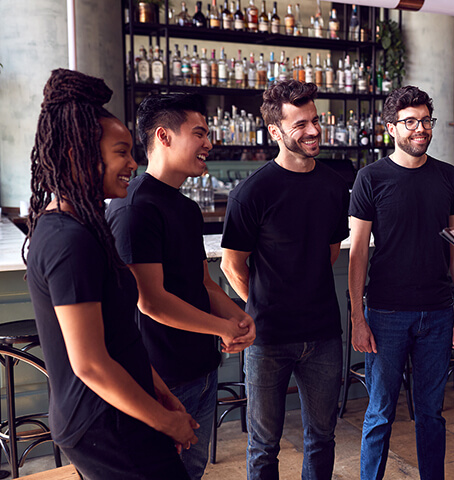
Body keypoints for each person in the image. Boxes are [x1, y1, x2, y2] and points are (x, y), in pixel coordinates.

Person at [24, 69, 196, 479]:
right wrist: (161, 418)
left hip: (119, 409)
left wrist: (162, 394)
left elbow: (120, 337)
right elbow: (91, 364)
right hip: (103, 421)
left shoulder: (84, 226)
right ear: (78, 154)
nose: (133, 163)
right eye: (121, 152)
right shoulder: (68, 240)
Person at [106, 93, 255, 480]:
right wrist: (221, 328)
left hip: (202, 369)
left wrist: (239, 317)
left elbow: (203, 283)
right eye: (199, 133)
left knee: (192, 470)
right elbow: (150, 302)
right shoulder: (135, 208)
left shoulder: (186, 207)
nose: (208, 143)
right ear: (164, 136)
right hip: (161, 377)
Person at [220, 80, 349, 480]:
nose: (312, 130)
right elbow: (231, 265)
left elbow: (330, 251)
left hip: (324, 333)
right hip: (269, 338)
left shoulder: (332, 183)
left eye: (315, 120)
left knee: (322, 438)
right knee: (263, 445)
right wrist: (262, 307)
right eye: (300, 124)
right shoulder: (253, 191)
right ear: (275, 132)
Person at [349, 85, 454, 480]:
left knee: (431, 413)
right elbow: (358, 254)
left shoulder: (448, 176)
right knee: (380, 412)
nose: (420, 129)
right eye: (410, 122)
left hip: (438, 312)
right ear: (391, 128)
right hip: (385, 313)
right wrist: (357, 317)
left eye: (425, 121)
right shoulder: (370, 178)